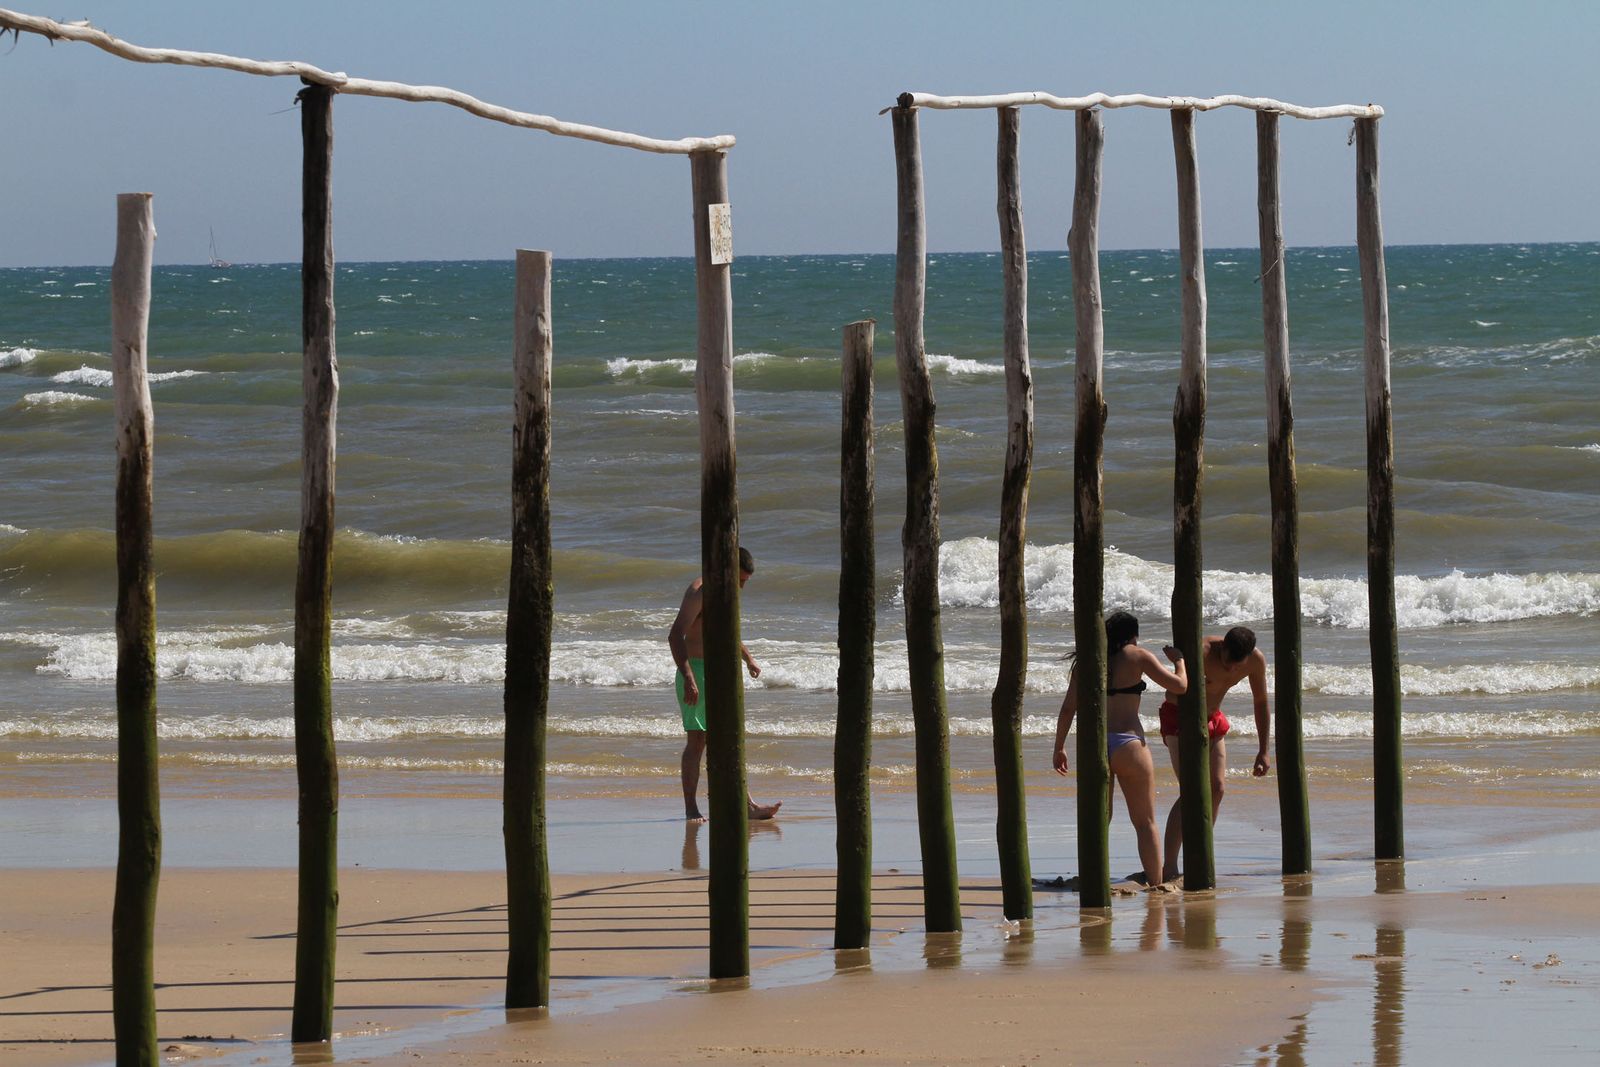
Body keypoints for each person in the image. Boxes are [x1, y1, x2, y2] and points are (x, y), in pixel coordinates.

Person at [1053, 610, 1187, 889]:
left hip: (1096, 745)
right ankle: (1155, 882)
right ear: (1133, 634)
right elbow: (1181, 686)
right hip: (1129, 745)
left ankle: (1094, 879)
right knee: (1145, 822)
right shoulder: (1137, 655)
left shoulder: (1088, 661)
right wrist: (1179, 660)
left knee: (1100, 819)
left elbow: (1068, 708)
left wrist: (1060, 747)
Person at [668, 545, 781, 823]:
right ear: (728, 570)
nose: (742, 587)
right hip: (695, 671)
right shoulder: (699, 592)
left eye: (745, 582)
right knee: (697, 742)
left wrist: (748, 659)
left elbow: (727, 631)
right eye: (739, 579)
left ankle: (748, 806)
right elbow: (675, 636)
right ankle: (691, 809)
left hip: (722, 672)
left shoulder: (727, 593)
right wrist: (688, 677)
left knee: (729, 739)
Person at [1158, 626, 1270, 882]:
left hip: (1212, 717)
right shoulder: (1202, 651)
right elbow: (1174, 685)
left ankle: (1201, 854)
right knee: (1191, 791)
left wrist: (1264, 750)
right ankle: (1170, 866)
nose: (1231, 670)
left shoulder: (1255, 660)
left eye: (1236, 666)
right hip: (1179, 718)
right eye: (1227, 662)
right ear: (1222, 647)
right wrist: (1179, 661)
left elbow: (1261, 702)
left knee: (1217, 788)